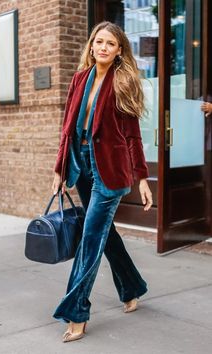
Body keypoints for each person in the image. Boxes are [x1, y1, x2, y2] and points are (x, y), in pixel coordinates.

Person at [51, 21, 153, 343]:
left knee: (90, 238)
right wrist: (59, 170)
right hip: (81, 166)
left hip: (109, 171)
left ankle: (76, 311)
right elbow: (67, 130)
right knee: (104, 234)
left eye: (111, 43)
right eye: (99, 41)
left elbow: (133, 137)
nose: (104, 47)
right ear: (91, 45)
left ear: (119, 49)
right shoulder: (79, 79)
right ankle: (132, 287)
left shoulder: (123, 82)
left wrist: (142, 178)